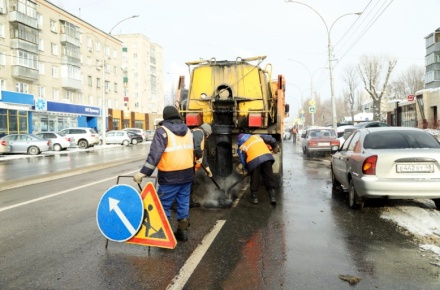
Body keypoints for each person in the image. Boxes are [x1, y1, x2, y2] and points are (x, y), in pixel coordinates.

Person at [133, 105, 194, 242]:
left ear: (165, 117)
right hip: (187, 174)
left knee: (163, 205)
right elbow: (194, 150)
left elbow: (155, 154)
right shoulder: (188, 131)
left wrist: (143, 173)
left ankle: (164, 234)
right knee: (183, 202)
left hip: (170, 176)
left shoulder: (163, 131)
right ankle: (182, 231)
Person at [237, 133, 280, 205]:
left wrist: (247, 168)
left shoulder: (242, 146)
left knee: (255, 179)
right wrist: (274, 146)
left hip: (254, 161)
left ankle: (255, 199)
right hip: (267, 158)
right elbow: (271, 139)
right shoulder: (256, 136)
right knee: (269, 177)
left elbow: (243, 160)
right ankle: (272, 197)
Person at [190, 123, 213, 207]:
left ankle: (189, 202)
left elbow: (202, 154)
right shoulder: (199, 133)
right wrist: (199, 156)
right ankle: (185, 203)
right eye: (208, 135)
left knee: (189, 183)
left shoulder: (193, 131)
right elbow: (197, 147)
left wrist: (207, 169)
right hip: (187, 162)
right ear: (206, 132)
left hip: (188, 162)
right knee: (187, 183)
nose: (207, 138)